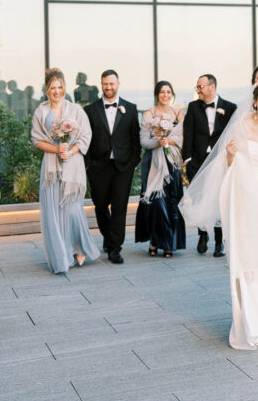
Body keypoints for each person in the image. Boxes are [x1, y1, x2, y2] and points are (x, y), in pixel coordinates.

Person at [182, 79, 258, 349]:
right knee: (249, 258)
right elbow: (227, 165)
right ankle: (249, 323)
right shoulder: (242, 124)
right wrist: (231, 157)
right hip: (248, 201)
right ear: (255, 100)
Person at [30, 68, 100, 273]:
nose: (57, 91)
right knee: (53, 213)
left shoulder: (75, 109)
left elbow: (86, 136)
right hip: (51, 168)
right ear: (47, 90)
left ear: (65, 88)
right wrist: (56, 149)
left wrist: (70, 151)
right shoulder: (41, 111)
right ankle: (61, 256)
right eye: (52, 87)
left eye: (60, 87)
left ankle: (79, 248)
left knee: (73, 211)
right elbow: (36, 139)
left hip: (73, 164)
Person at [83, 69, 141, 264]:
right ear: (101, 85)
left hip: (123, 167)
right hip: (98, 167)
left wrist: (132, 163)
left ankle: (115, 248)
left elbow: (135, 139)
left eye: (111, 83)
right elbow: (86, 139)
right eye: (105, 84)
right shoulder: (90, 110)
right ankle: (109, 237)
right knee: (100, 206)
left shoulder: (130, 108)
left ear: (118, 84)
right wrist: (88, 165)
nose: (108, 87)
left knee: (119, 208)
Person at [182, 73, 236, 256]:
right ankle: (203, 235)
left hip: (219, 160)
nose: (198, 90)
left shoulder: (230, 108)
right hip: (197, 160)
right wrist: (187, 159)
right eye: (197, 87)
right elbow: (188, 133)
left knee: (219, 200)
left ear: (212, 87)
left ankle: (219, 242)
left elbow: (233, 134)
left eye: (200, 86)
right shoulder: (193, 107)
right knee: (200, 199)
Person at [136, 81, 187, 257]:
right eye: (162, 92)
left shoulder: (179, 114)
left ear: (172, 94)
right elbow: (144, 141)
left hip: (172, 163)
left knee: (171, 203)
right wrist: (158, 142)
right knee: (155, 203)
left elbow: (183, 139)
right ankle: (154, 240)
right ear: (157, 94)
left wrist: (168, 141)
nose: (165, 95)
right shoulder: (149, 114)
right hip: (153, 163)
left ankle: (169, 243)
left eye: (168, 92)